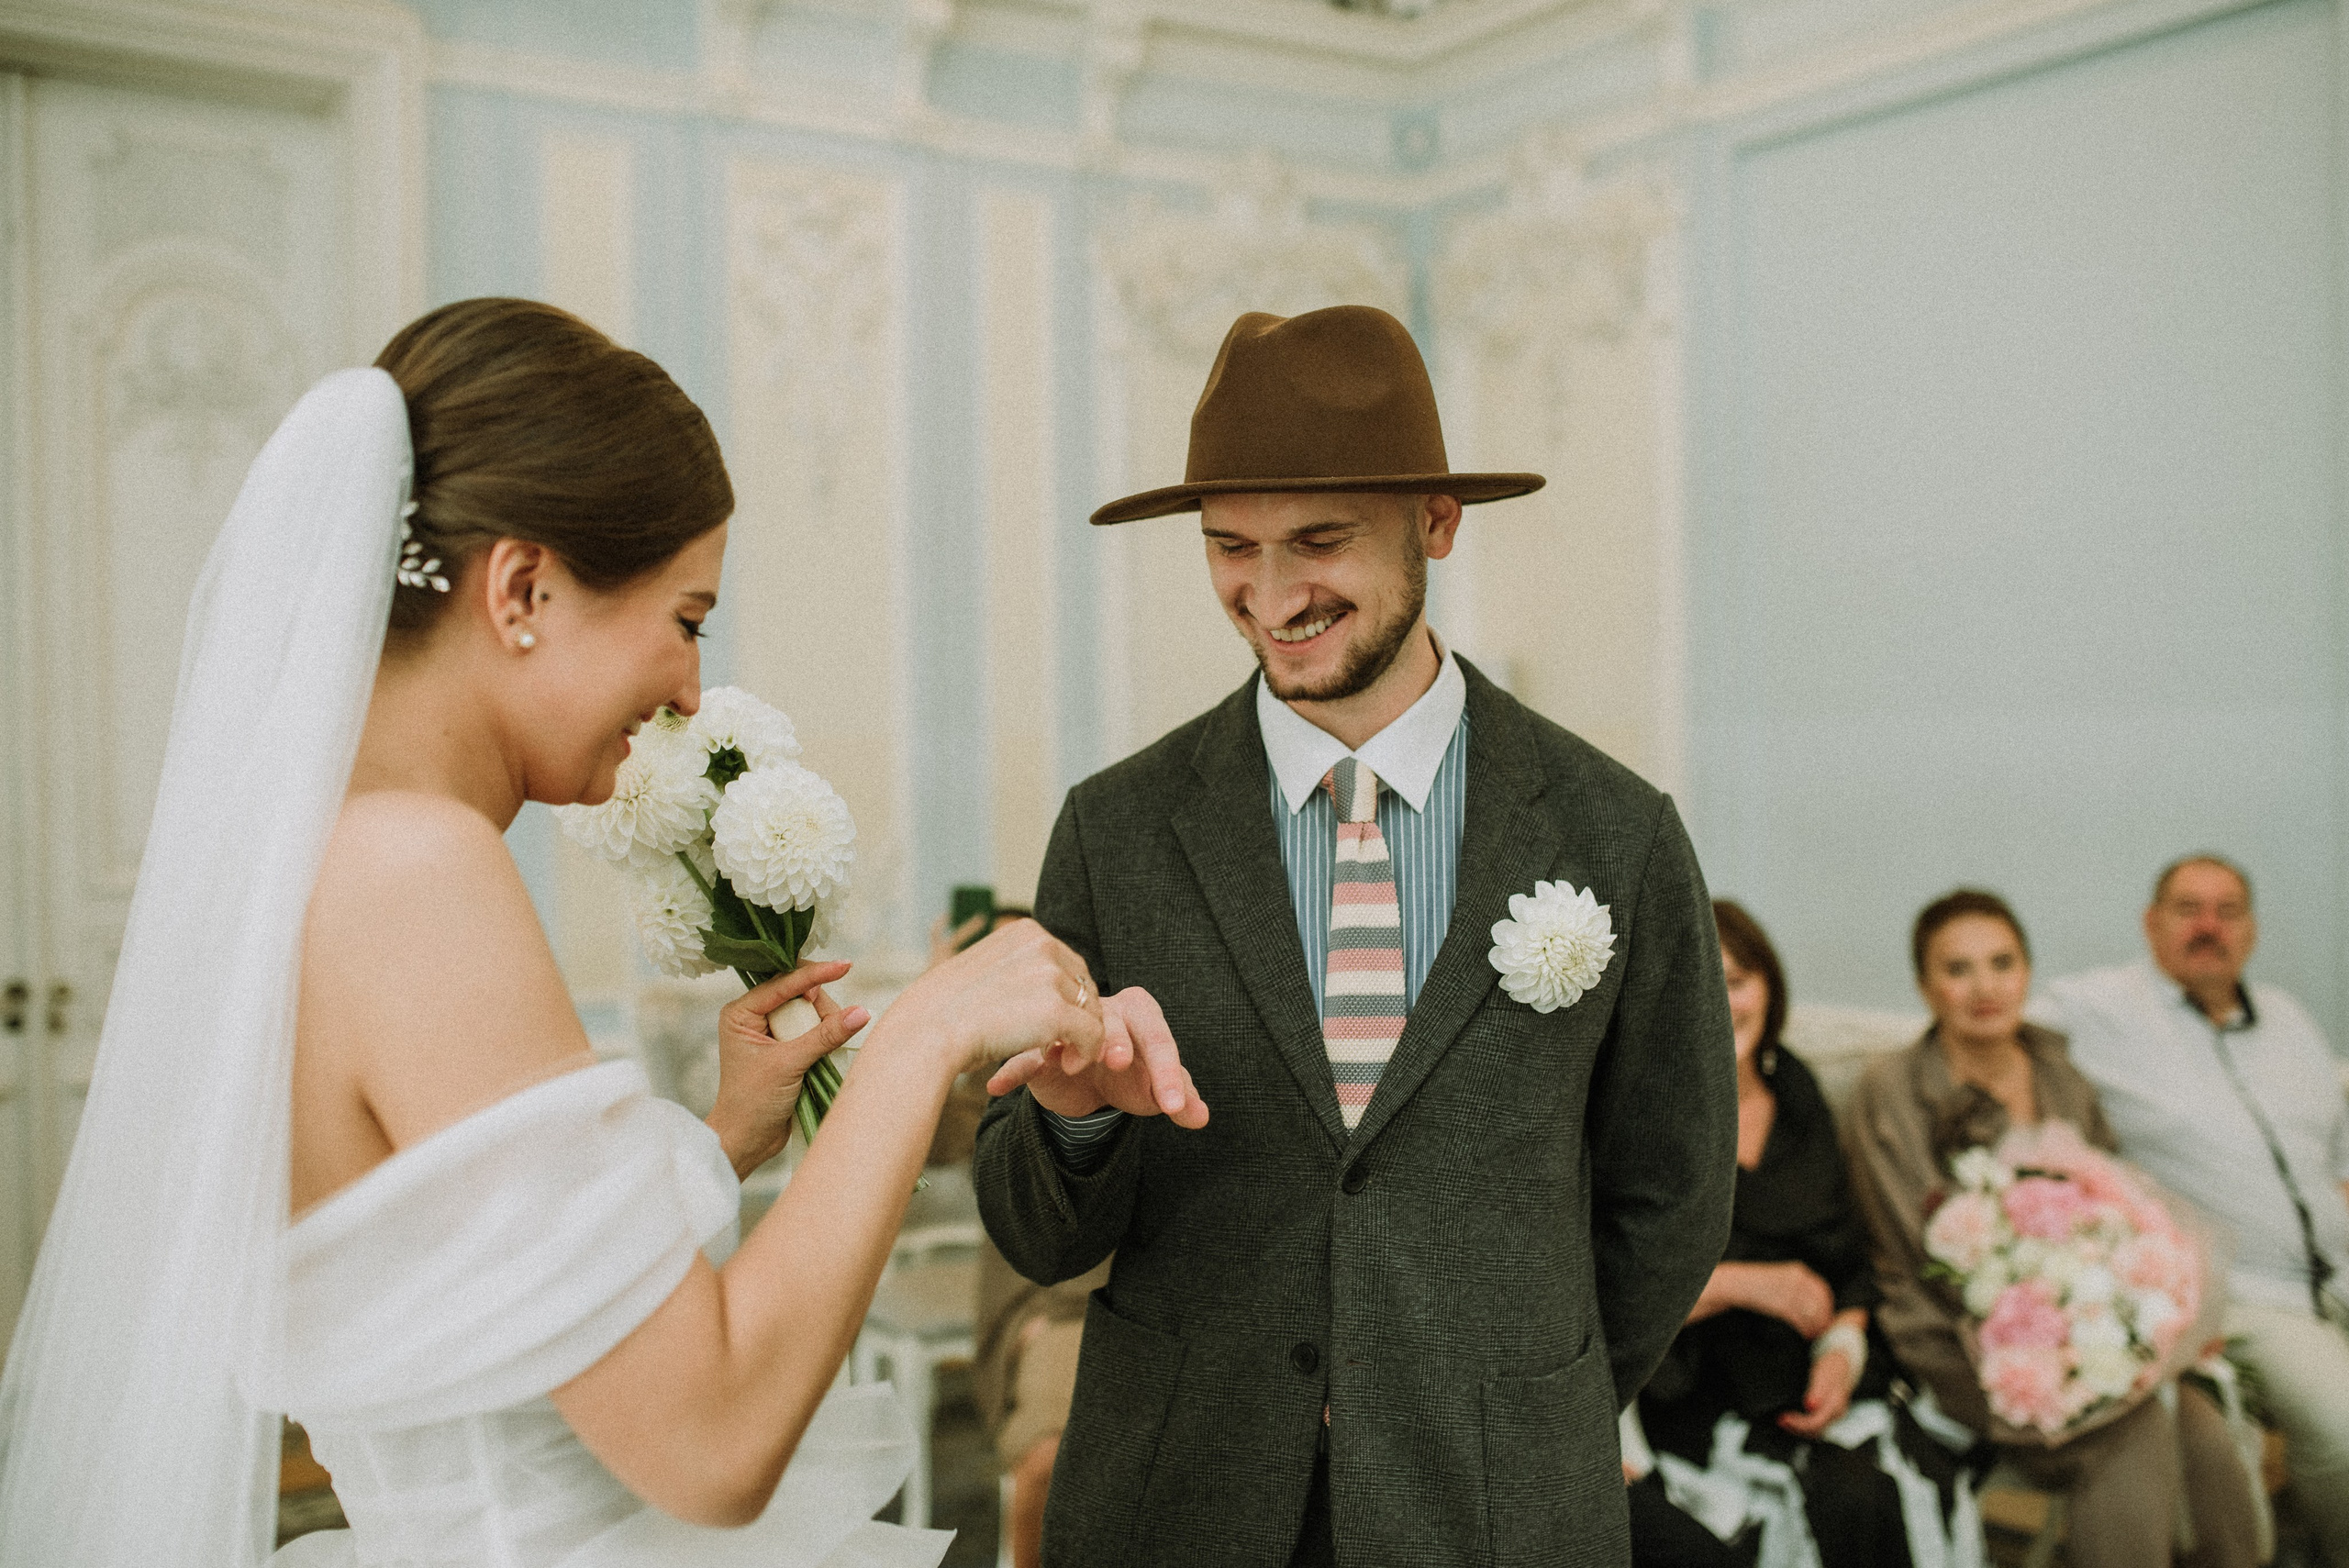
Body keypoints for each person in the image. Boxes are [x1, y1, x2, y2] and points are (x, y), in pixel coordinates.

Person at [0, 299, 1202, 1568]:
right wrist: (926, 1032)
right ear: (522, 588)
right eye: (685, 619)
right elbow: (711, 1440)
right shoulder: (414, 868)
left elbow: (454, 1276)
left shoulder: (318, 858)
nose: (690, 685)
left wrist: (718, 1140)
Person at [971, 304, 1737, 1566]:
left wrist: (1525, 1398)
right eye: (1230, 548)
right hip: (1180, 1496)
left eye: (1318, 540)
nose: (1270, 595)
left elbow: (1673, 1194)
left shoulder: (1616, 833)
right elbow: (1037, 1229)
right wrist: (1077, 1116)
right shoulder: (1116, 829)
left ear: (1436, 520)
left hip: (1496, 1507)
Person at [1846, 889, 2259, 1568]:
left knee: (2206, 1434)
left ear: (2027, 973)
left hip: (2090, 1331)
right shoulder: (1891, 1091)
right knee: (2135, 1435)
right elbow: (1910, 1250)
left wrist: (2129, 1320)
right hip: (1960, 1343)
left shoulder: (2060, 1074)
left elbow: (2123, 1214)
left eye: (2002, 963)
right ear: (1925, 986)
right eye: (1958, 969)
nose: (1985, 986)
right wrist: (2046, 1343)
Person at [2038, 854, 2349, 1561]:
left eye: (2228, 910)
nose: (2209, 926)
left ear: (2252, 930)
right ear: (2152, 924)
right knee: (2345, 1426)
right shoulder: (2101, 1008)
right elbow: (1987, 1014)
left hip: (2337, 1269)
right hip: (2248, 1294)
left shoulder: (2291, 1020)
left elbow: (2339, 1161)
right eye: (2188, 909)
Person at [1627, 900, 1922, 1568]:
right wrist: (1749, 1284)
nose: (1720, 1003)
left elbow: (1848, 1255)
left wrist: (1843, 1350)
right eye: (1696, 984)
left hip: (1811, 1371)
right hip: (1690, 1383)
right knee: (1841, 1499)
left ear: (1769, 986)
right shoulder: (1638, 1112)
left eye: (1736, 981)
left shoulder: (1795, 1089)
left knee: (1873, 1490)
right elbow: (1609, 1287)